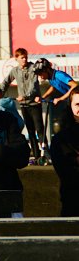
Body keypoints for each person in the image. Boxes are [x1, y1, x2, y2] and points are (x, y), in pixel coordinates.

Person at [0, 48, 46, 163]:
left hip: (34, 103)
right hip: (24, 106)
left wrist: (24, 96)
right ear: (16, 59)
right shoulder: (15, 70)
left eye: (26, 57)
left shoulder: (33, 68)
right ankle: (36, 156)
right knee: (30, 131)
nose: (24, 59)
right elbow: (6, 82)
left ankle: (46, 153)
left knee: (39, 129)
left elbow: (33, 85)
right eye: (22, 57)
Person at [50, 88, 79, 216]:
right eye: (78, 104)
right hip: (73, 204)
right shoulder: (60, 140)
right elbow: (67, 174)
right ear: (70, 106)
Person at [34, 58, 78, 135]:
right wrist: (43, 97)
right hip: (70, 103)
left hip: (76, 103)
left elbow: (74, 85)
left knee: (66, 122)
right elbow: (53, 87)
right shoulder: (51, 78)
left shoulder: (59, 75)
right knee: (64, 123)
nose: (40, 76)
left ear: (47, 70)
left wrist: (60, 98)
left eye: (41, 74)